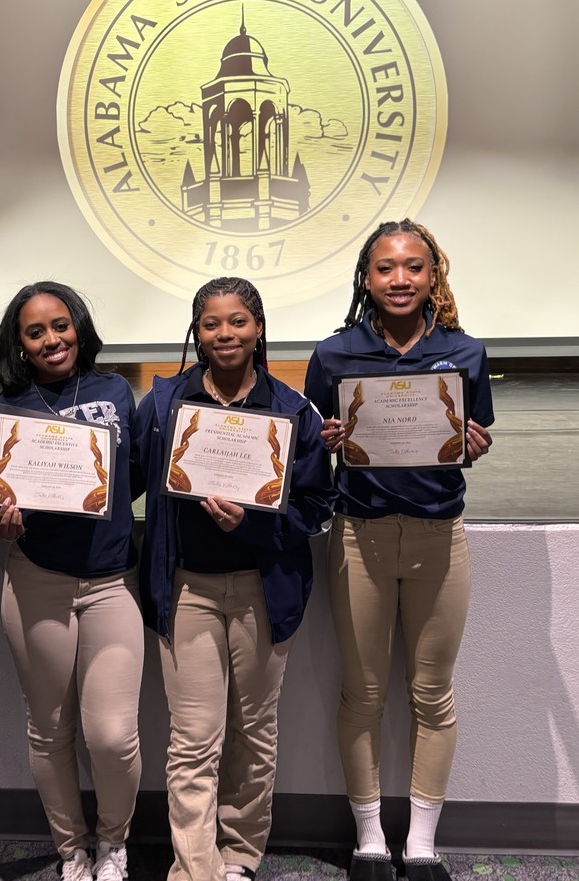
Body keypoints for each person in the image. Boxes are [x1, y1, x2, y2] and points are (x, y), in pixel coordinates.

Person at [303, 220, 494, 881]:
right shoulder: (333, 357)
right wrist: (325, 440)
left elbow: (473, 435)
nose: (400, 279)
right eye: (386, 268)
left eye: (414, 267)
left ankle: (421, 843)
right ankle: (368, 842)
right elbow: (310, 447)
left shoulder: (466, 353)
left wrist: (472, 445)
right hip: (360, 535)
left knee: (433, 695)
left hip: (441, 538)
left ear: (432, 276)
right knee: (362, 693)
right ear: (366, 278)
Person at [134, 276, 336, 881]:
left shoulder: (291, 410)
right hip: (187, 588)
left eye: (238, 322)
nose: (225, 334)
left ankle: (242, 857)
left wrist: (252, 525)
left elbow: (315, 507)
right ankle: (196, 867)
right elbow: (129, 480)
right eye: (211, 324)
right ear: (196, 333)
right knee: (194, 739)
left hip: (262, 591)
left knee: (253, 735)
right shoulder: (165, 403)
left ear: (259, 328)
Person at [0, 282, 142, 881]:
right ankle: (72, 850)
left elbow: (129, 481)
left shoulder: (117, 393)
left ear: (79, 328)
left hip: (109, 583)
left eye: (61, 326)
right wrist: (5, 522)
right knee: (49, 729)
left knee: (110, 736)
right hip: (36, 581)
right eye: (35, 331)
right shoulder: (2, 413)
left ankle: (114, 844)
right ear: (20, 345)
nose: (52, 340)